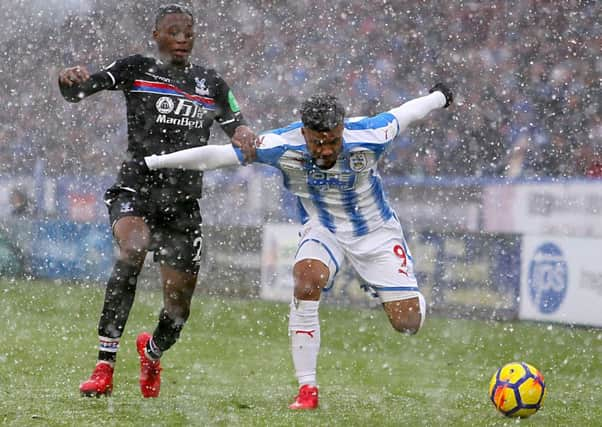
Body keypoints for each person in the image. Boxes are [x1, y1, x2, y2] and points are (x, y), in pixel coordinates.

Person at [143, 83, 453, 409]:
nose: (326, 151)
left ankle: (402, 294)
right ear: (304, 133)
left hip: (376, 233)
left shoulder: (371, 135)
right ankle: (308, 389)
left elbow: (409, 112)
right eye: (318, 143)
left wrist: (440, 97)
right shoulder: (279, 145)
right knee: (306, 281)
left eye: (333, 141)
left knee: (408, 325)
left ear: (342, 130)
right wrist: (152, 163)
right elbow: (216, 157)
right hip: (323, 229)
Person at [58, 3, 257, 398]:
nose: (182, 39)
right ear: (156, 35)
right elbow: (79, 91)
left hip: (182, 202)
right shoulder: (137, 68)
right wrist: (68, 81)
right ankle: (104, 365)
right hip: (137, 188)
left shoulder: (211, 84)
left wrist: (245, 134)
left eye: (188, 32)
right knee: (132, 249)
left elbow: (238, 124)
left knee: (178, 308)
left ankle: (152, 353)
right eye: (173, 31)